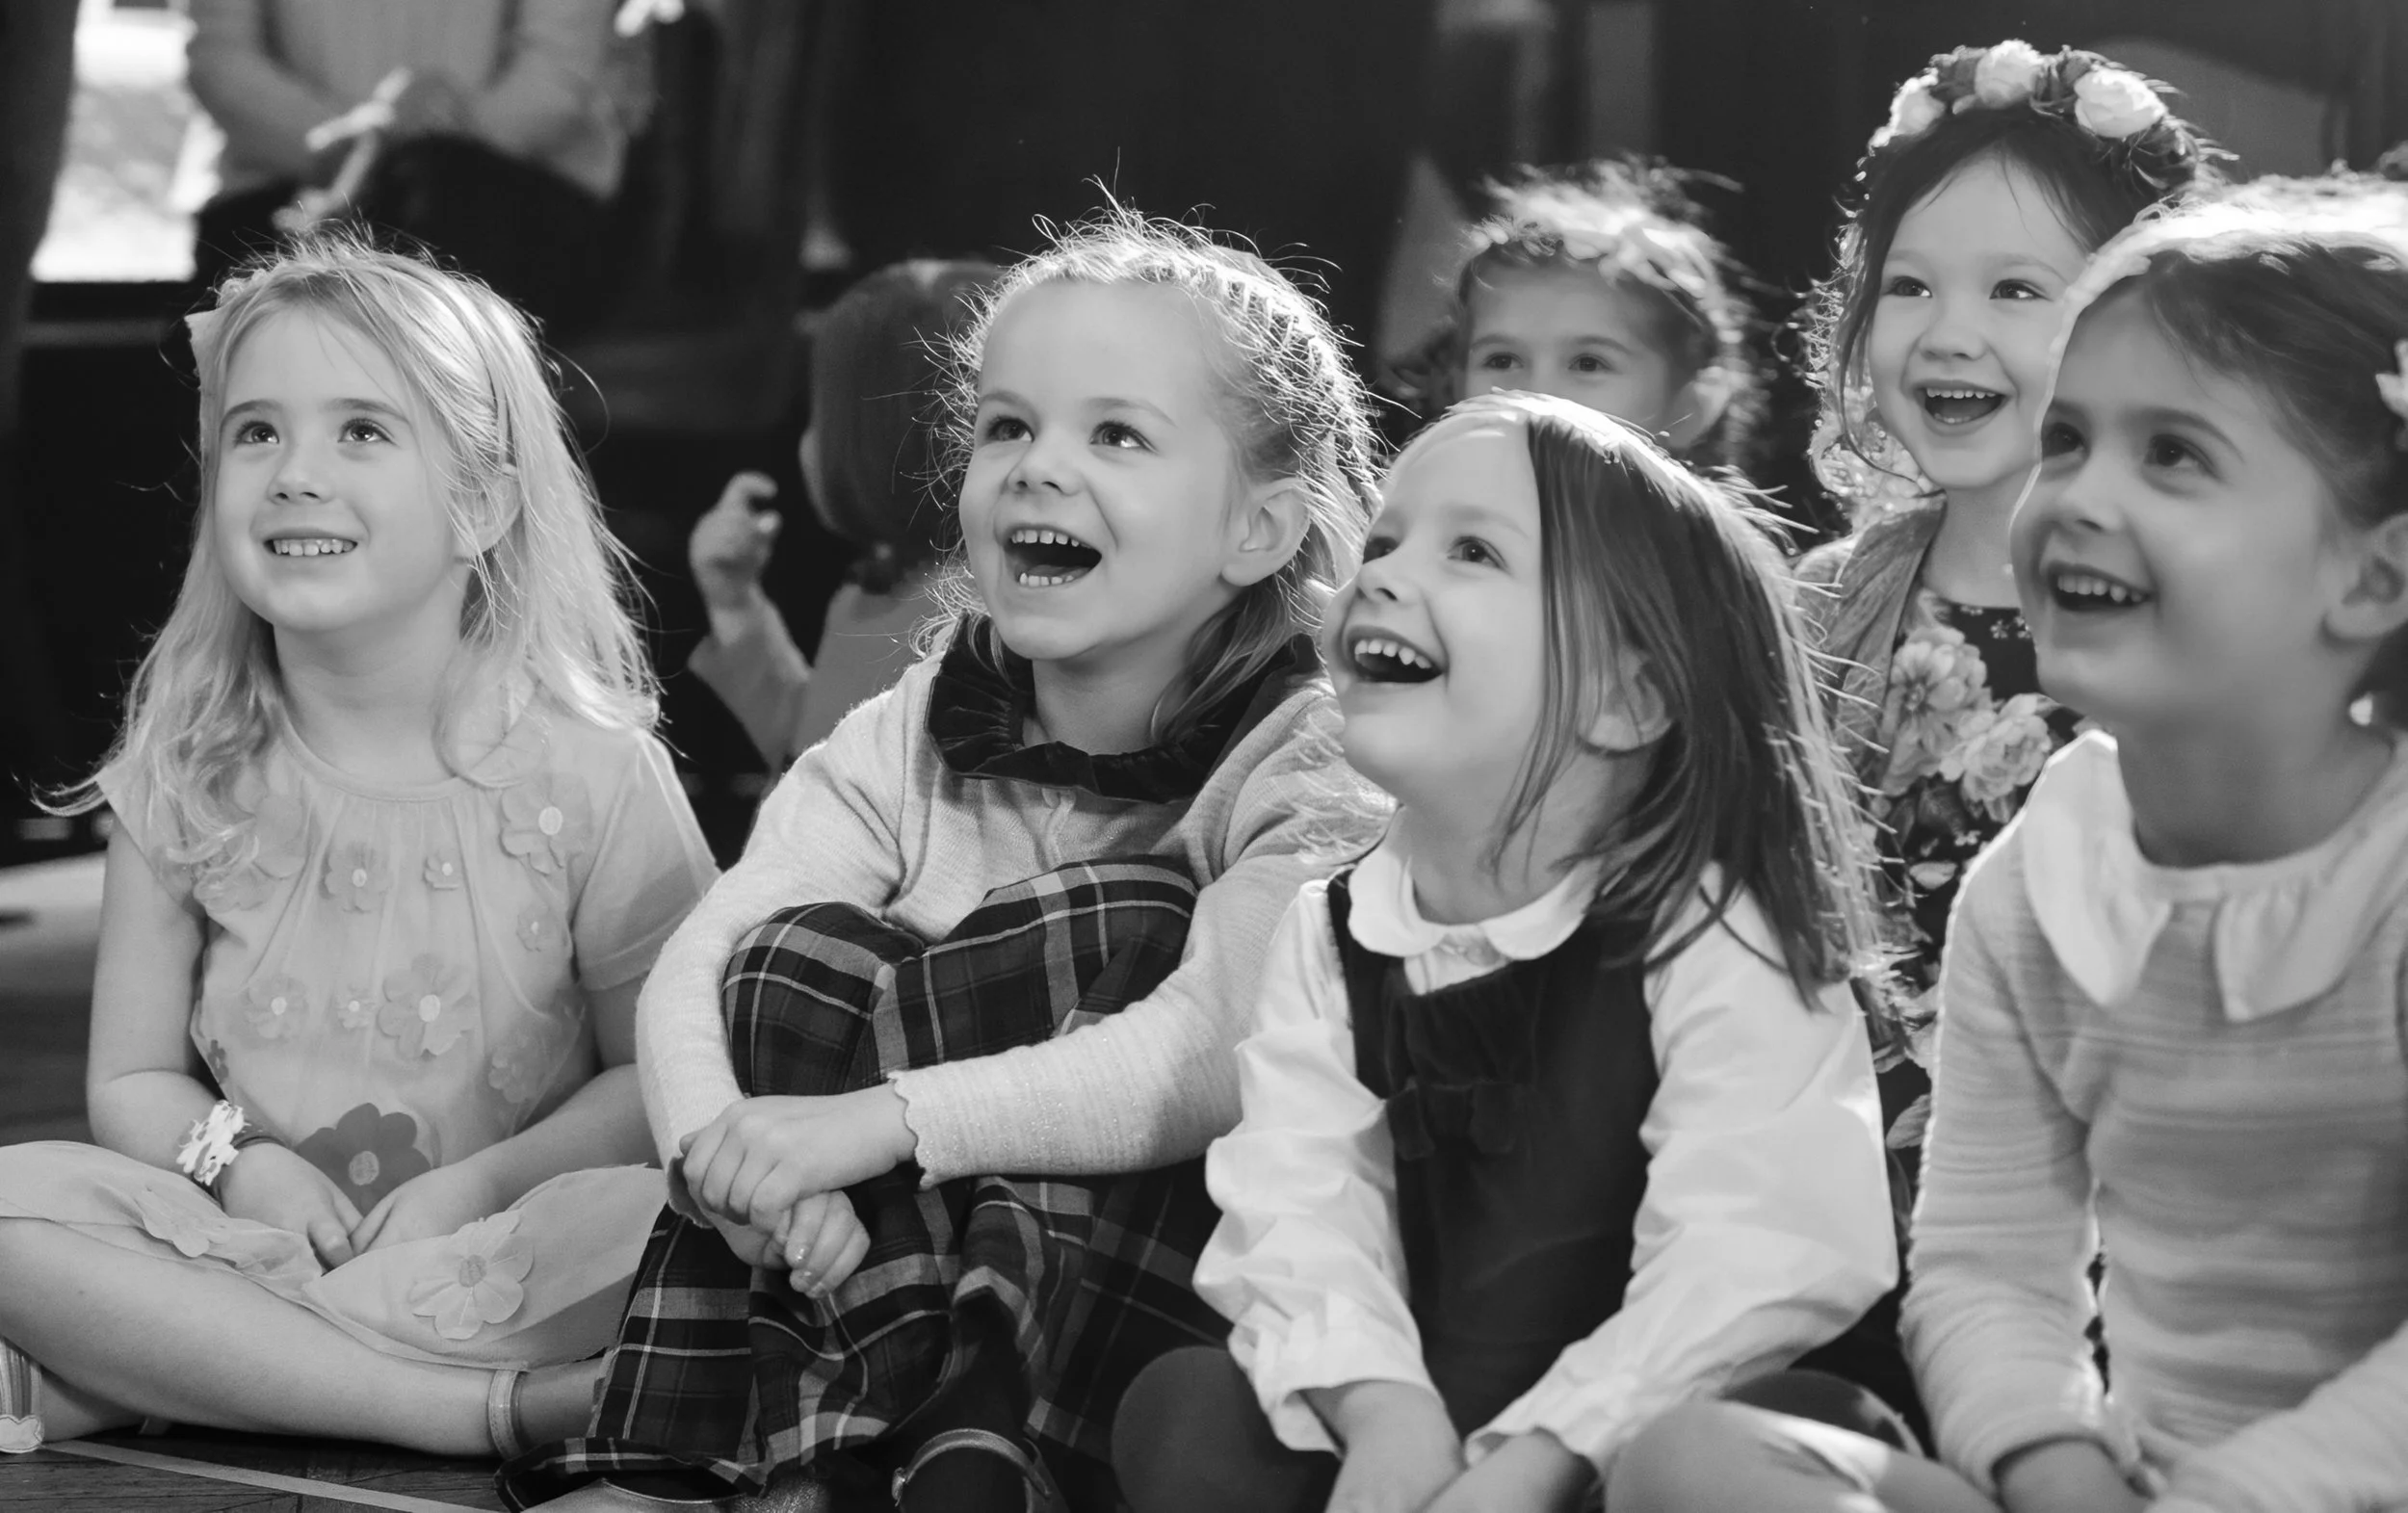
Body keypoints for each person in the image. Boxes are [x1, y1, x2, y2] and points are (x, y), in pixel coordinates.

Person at [509, 207, 1390, 1513]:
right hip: (857, 1265)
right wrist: (734, 1165)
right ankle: (758, 1456)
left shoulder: (1309, 750)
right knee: (792, 951)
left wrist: (869, 1124)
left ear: (1256, 530)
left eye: (1118, 434)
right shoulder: (925, 715)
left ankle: (966, 1462)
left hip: (1149, 1299)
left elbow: (1208, 1057)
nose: (1037, 467)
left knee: (1129, 923)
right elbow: (709, 952)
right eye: (1006, 425)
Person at [1610, 171, 2408, 1513]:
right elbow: (1988, 1257)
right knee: (1696, 1461)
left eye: (2176, 455)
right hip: (2128, 1484)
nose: (2082, 495)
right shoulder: (2048, 874)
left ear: (2374, 575)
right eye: (2072, 440)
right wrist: (2055, 1463)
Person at [1110, 393, 1899, 1513]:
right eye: (1382, 540)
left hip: (1632, 1436)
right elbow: (1301, 1208)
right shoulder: (1332, 933)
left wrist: (1538, 1457)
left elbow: (1759, 1254)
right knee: (1187, 1408)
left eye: (1473, 550)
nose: (1381, 573)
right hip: (1432, 1438)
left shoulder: (1707, 927)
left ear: (1628, 697)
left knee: (1775, 1440)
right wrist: (1388, 1418)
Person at [0, 235, 717, 1459]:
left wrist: (475, 1191)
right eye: (256, 432)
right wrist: (240, 1167)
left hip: (500, 1251)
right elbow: (128, 1080)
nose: (293, 474)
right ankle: (460, 1412)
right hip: (251, 1238)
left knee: (668, 1220)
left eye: (363, 433)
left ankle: (175, 1362)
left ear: (481, 502)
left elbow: (661, 1069)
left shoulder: (593, 769)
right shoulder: (186, 767)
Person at [1792, 41, 2213, 1181]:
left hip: (2097, 1197)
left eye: (2016, 290)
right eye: (1910, 284)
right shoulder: (1816, 607)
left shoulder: (2204, 621)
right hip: (1816, 1204)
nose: (1946, 332)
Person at [686, 259, 1001, 771]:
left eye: (819, 418)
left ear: (866, 446)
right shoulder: (881, 592)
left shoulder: (962, 634)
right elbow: (813, 756)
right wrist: (737, 605)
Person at [185, 0, 646, 337]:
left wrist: (410, 139)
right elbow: (221, 60)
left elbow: (558, 78)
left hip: (501, 198)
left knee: (447, 209)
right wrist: (360, 141)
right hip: (285, 188)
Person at [1390, 160, 1767, 471]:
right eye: (1501, 360)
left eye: (1588, 363)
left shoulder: (1706, 562)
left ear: (1692, 407)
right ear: (1456, 387)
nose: (1532, 396)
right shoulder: (1411, 535)